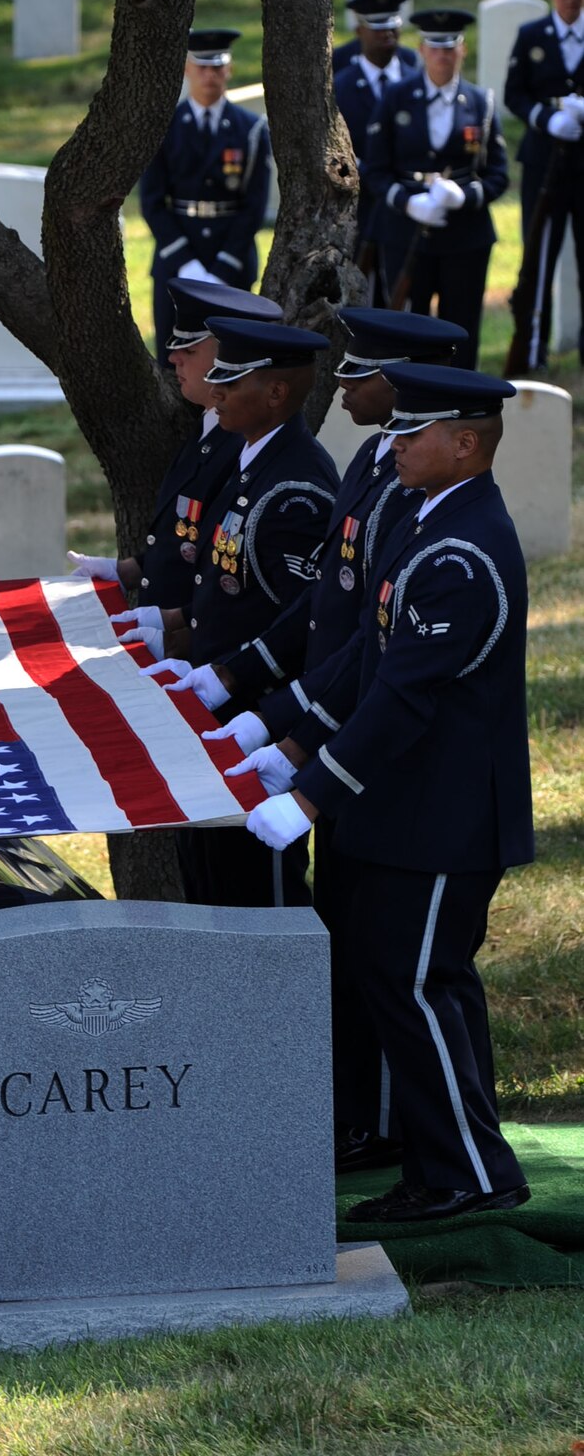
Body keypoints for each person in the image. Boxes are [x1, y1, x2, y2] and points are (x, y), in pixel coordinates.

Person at [165, 307, 466, 1172]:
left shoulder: (407, 498)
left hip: (371, 751)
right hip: (331, 723)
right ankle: (357, 1118)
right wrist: (258, 704)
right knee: (358, 949)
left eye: (363, 373)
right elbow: (338, 621)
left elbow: (384, 658)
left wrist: (301, 756)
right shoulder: (378, 463)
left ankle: (387, 1133)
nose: (348, 387)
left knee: (388, 964)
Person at [243, 364, 533, 1224]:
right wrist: (289, 732)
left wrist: (309, 797)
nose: (395, 443)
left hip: (445, 814)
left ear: (467, 444)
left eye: (415, 432)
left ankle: (472, 1173)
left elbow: (406, 694)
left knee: (415, 983)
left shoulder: (463, 552)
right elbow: (368, 657)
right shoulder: (419, 517)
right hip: (408, 806)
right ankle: (444, 1157)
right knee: (409, 978)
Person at [120, 314, 338, 908]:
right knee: (210, 886)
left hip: (257, 721)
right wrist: (177, 634)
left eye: (231, 380)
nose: (215, 390)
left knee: (256, 900)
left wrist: (247, 700)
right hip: (218, 712)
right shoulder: (247, 463)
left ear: (275, 393)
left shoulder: (295, 486)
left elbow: (300, 626)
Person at [66, 280, 283, 616]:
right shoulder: (210, 427)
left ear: (231, 355)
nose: (173, 359)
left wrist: (177, 624)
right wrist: (126, 570)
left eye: (191, 351)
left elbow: (225, 561)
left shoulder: (241, 443)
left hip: (198, 637)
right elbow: (185, 534)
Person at [363, 8, 508, 365]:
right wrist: (407, 202)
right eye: (434, 47)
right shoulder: (395, 97)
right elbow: (376, 169)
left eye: (450, 47)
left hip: (465, 235)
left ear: (462, 50)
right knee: (408, 327)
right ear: (421, 49)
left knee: (462, 325)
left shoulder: (480, 103)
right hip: (405, 230)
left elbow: (498, 174)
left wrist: (465, 196)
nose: (442, 55)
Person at [137, 28, 272, 361]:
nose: (210, 76)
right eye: (202, 68)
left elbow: (254, 205)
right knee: (175, 362)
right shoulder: (164, 127)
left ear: (229, 69)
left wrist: (223, 268)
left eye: (217, 67)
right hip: (177, 261)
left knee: (234, 359)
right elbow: (153, 202)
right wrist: (187, 264)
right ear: (187, 69)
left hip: (233, 259)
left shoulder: (251, 129)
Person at [503, 0, 584, 365]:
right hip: (544, 160)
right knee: (539, 255)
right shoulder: (533, 35)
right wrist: (544, 119)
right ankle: (533, 348)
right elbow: (514, 93)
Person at [333, 0, 413, 300]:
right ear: (359, 31)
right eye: (377, 26)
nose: (387, 33)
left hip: (404, 204)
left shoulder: (413, 81)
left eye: (392, 25)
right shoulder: (341, 86)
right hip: (359, 207)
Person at [331, 0, 417, 72]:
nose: (387, 33)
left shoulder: (410, 59)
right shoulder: (339, 58)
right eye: (377, 28)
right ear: (359, 30)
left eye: (392, 27)